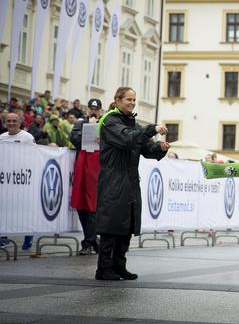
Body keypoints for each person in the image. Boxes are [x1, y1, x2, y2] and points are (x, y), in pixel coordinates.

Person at [96, 87, 170, 280]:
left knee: (126, 223)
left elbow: (146, 149)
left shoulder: (133, 124)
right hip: (113, 179)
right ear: (118, 100)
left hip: (130, 180)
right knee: (111, 224)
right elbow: (127, 140)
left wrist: (160, 148)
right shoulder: (109, 121)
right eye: (129, 99)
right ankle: (104, 268)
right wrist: (150, 129)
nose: (132, 103)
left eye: (134, 100)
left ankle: (119, 265)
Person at [70, 98, 104, 255]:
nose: (94, 111)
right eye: (91, 108)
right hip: (83, 166)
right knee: (80, 204)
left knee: (92, 204)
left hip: (97, 168)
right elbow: (74, 138)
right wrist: (89, 127)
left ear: (101, 110)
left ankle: (89, 241)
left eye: (96, 109)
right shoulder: (81, 123)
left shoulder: (105, 124)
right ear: (87, 109)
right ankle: (91, 239)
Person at [0, 112, 36, 250]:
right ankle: (3, 236)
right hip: (6, 179)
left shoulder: (28, 137)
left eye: (14, 121)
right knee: (4, 208)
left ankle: (28, 235)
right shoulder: (1, 137)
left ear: (20, 122)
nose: (11, 123)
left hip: (23, 178)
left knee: (24, 209)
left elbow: (35, 155)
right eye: (8, 121)